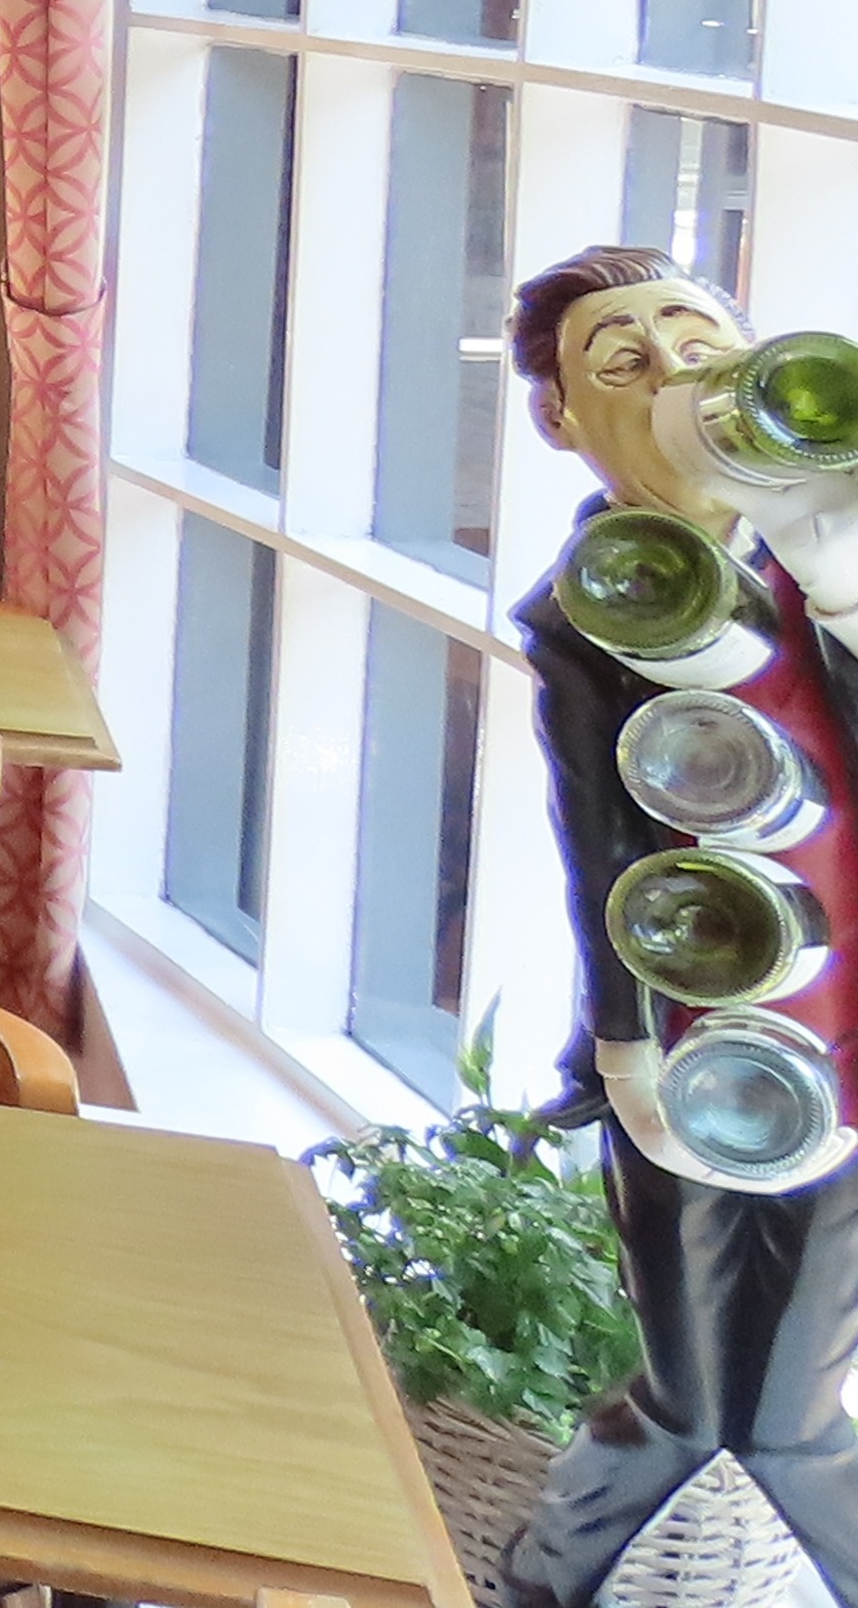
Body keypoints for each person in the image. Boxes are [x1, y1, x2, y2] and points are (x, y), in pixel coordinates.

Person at [505, 247, 858, 1604]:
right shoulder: (590, 608)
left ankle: (557, 1578)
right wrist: (623, 1041)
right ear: (561, 419)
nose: (673, 381)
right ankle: (553, 1579)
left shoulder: (821, 552)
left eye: (700, 347)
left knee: (783, 1402)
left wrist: (835, 580)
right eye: (624, 362)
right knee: (699, 1384)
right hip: (697, 1025)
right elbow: (599, 838)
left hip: (844, 1023)